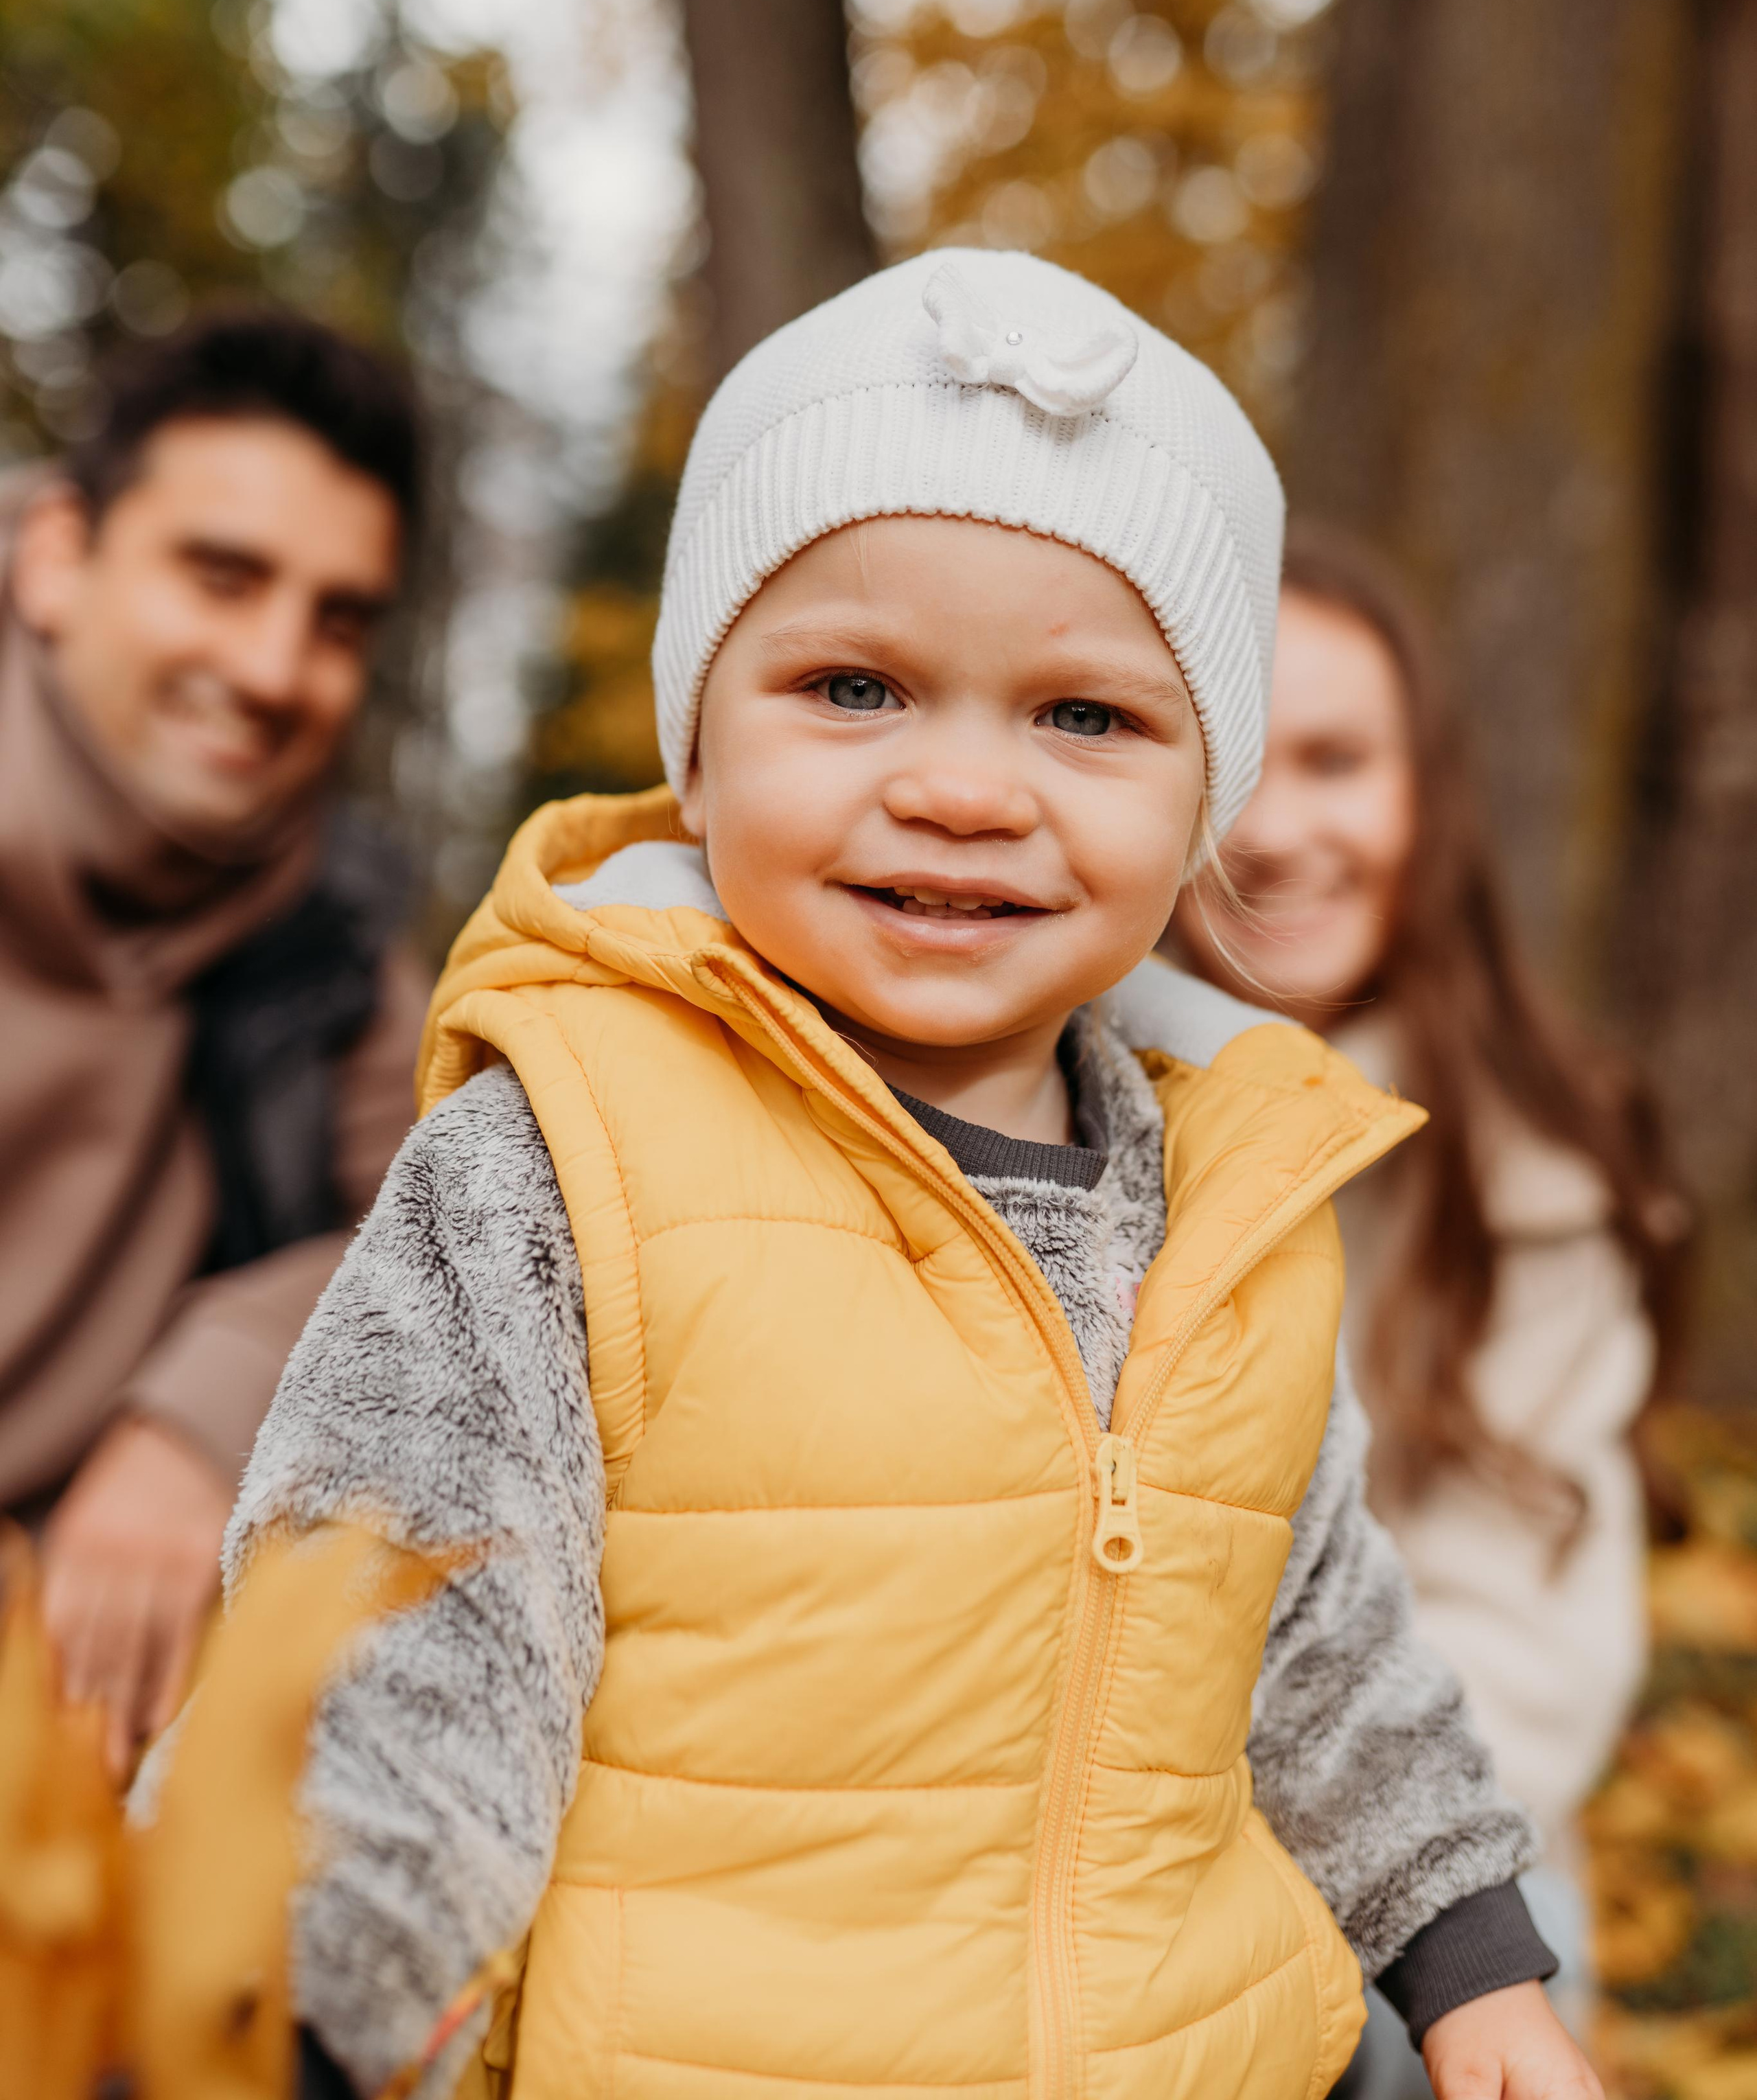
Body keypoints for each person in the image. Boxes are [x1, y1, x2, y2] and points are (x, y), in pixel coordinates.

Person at [182, 253, 1598, 2100]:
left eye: (1085, 716)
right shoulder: (570, 1149)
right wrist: (291, 2003)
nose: (963, 787)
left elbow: (1318, 1636)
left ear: (1203, 805)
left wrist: (1475, 1966)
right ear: (698, 745)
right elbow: (389, 1633)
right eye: (857, 685)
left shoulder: (1226, 1184)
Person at [1174, 524, 1689, 2096]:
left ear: (1424, 799)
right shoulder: (1029, 1113)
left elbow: (1522, 1654)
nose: (1273, 829)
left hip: (1422, 1826)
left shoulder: (1530, 1169)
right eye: (1232, 760)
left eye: (1334, 759)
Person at [0, 308, 430, 1776]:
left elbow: (451, 1228)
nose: (270, 666)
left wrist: (200, 1410)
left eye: (336, 618)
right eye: (222, 575)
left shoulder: (340, 947)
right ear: (58, 557)